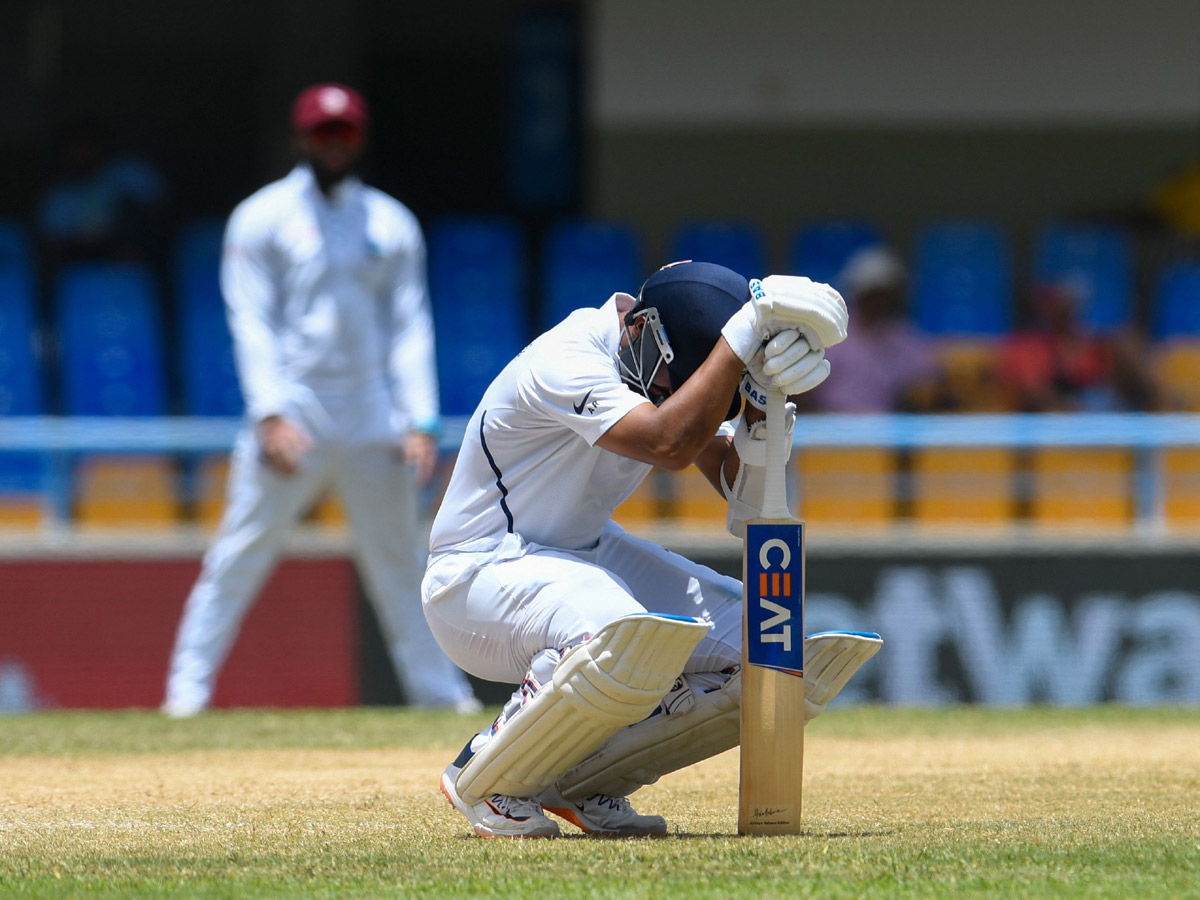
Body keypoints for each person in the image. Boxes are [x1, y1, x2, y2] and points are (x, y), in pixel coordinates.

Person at [422, 260, 883, 837]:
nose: (670, 392)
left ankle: (585, 779)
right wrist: (741, 341)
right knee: (618, 630)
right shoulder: (564, 359)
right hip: (478, 572)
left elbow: (741, 495)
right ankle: (486, 774)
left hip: (582, 555)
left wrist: (766, 409)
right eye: (674, 380)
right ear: (641, 328)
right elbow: (669, 442)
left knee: (768, 642)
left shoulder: (655, 356)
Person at [162, 83, 480, 717]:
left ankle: (441, 699)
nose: (335, 145)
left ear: (359, 139)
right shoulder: (261, 217)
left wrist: (419, 418)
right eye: (323, 133)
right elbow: (249, 319)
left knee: (399, 564)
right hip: (294, 410)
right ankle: (184, 700)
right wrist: (270, 413)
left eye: (346, 133)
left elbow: (410, 324)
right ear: (301, 138)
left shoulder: (390, 222)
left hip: (371, 412)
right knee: (238, 556)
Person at [807, 246, 946, 413]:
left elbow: (930, 380)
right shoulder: (830, 329)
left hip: (885, 431)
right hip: (831, 426)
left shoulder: (903, 336)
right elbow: (805, 388)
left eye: (884, 295)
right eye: (872, 294)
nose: (877, 302)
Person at [35, 117, 168, 268]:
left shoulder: (129, 173)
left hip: (138, 263)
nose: (83, 154)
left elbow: (161, 214)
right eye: (77, 147)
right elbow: (55, 247)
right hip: (85, 269)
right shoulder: (57, 197)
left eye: (88, 145)